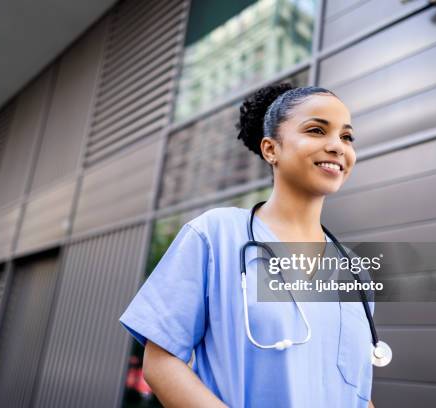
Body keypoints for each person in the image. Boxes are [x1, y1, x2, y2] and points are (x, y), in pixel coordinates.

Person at [119, 83, 376, 407]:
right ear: (271, 149)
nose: (337, 146)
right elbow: (161, 363)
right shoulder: (215, 236)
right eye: (316, 130)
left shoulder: (354, 272)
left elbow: (358, 392)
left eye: (346, 137)